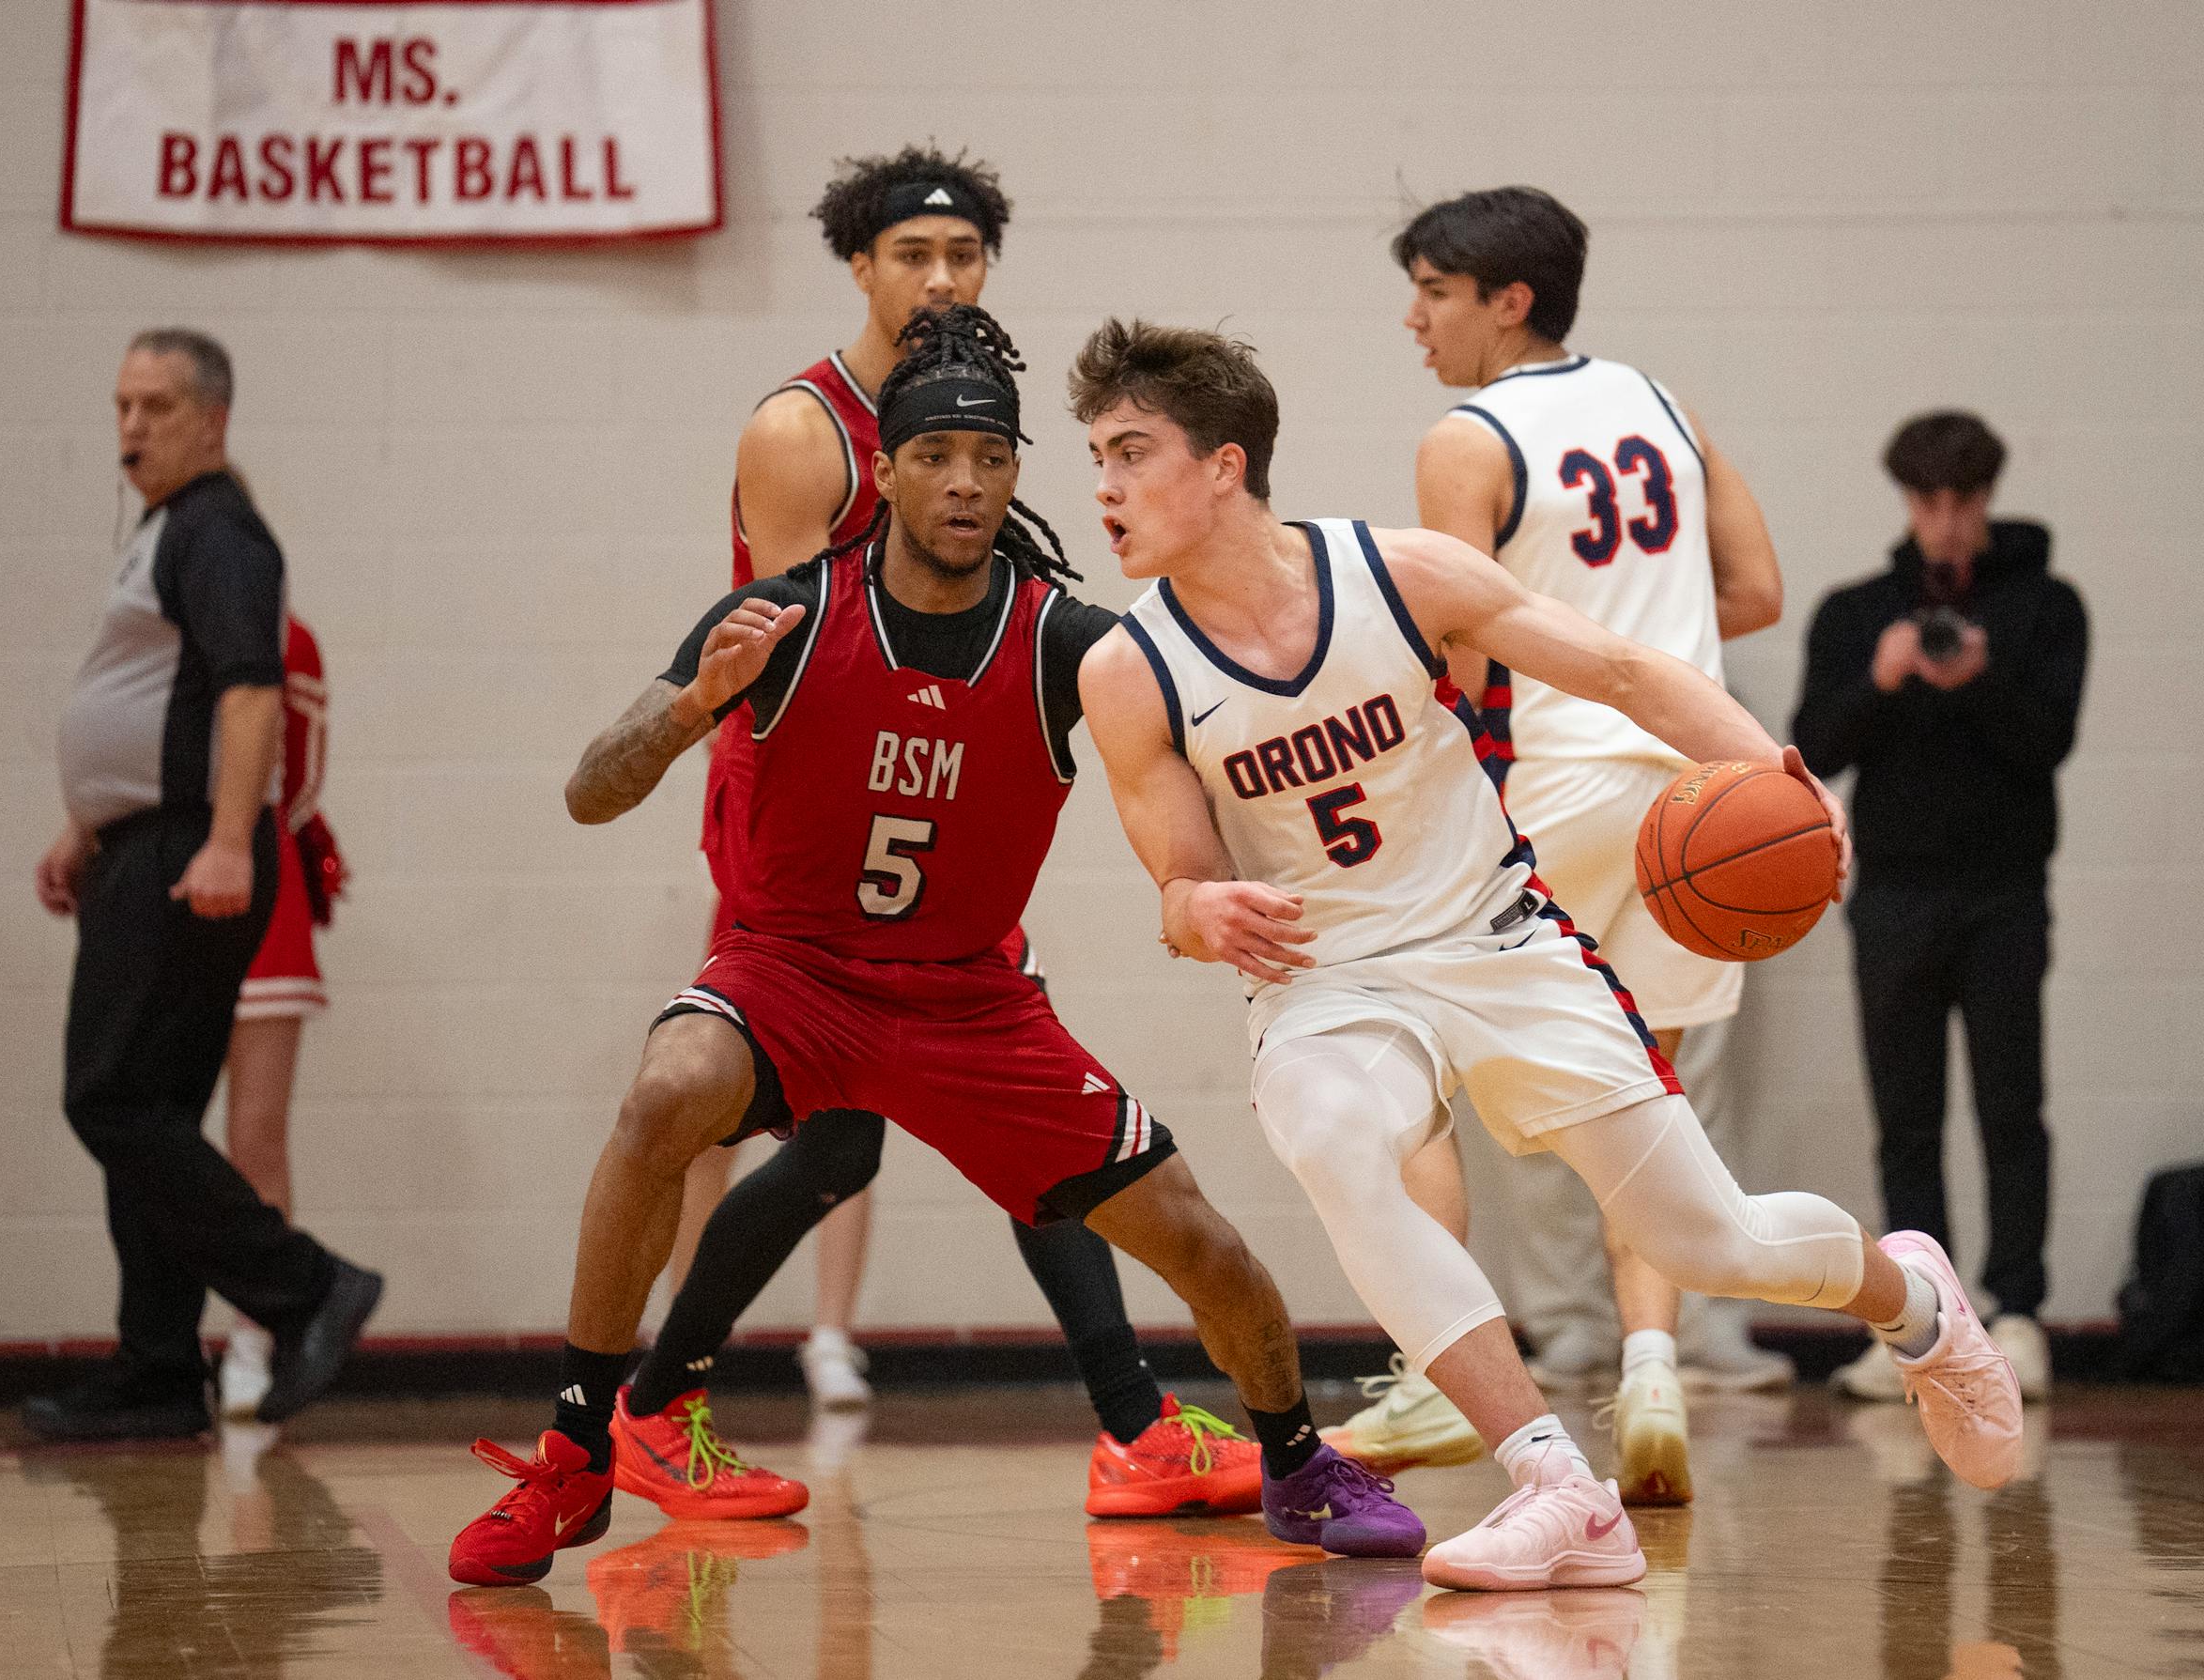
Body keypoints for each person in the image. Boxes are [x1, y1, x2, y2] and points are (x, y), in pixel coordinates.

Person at [447, 305, 1420, 1589]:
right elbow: (591, 790)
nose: (966, 484)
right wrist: (695, 706)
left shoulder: (1075, 644)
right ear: (888, 474)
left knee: (1204, 1243)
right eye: (937, 459)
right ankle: (576, 1452)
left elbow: (1200, 775)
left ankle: (1296, 1460)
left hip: (971, 1006)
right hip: (790, 974)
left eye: (993, 460)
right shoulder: (781, 616)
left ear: (1017, 475)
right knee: (665, 1093)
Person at [1071, 318, 2025, 1591]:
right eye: (1097, 458)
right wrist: (1201, 915)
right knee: (1337, 1138)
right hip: (1331, 982)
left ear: (1227, 464)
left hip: (1497, 936)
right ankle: (1559, 1486)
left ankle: (1914, 1304)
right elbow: (1182, 881)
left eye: (1134, 452)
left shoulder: (1398, 574)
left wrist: (1775, 780)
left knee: (1710, 1241)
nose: (1106, 488)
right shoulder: (1126, 671)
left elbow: (1629, 670)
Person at [659, 144, 1254, 1501]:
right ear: (858, 269)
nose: (940, 276)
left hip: (929, 800)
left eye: (964, 255)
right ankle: (655, 1401)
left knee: (903, 1120)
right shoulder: (805, 430)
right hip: (810, 817)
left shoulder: (969, 412)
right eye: (913, 255)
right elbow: (793, 661)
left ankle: (1125, 1424)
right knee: (859, 1119)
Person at [1351, 185, 1793, 1506]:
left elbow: (1456, 645)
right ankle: (1652, 1365)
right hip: (1689, 796)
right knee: (1640, 1089)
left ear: (1509, 300)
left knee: (1402, 1043)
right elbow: (1757, 591)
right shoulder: (1666, 405)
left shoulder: (1468, 437)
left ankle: (1437, 1369)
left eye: (1433, 290)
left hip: (1550, 780)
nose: (1413, 317)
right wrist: (1636, 622)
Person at [27, 329, 380, 1442]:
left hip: (191, 851)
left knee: (111, 1097)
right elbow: (151, 707)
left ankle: (306, 1286)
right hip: (147, 845)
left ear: (212, 420)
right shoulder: (168, 530)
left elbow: (245, 692)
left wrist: (229, 840)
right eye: (122, 405)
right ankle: (157, 1366)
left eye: (157, 407)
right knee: (153, 1107)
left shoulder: (220, 529)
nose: (131, 428)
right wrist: (83, 826)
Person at [1794, 411, 2087, 1404]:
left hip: (2005, 895)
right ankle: (1924, 1320)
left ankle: (2017, 1312)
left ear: (1989, 499)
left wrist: (1979, 679)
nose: (1948, 522)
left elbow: (2048, 742)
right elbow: (1812, 748)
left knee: (2013, 1107)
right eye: (1930, 501)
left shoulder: (2047, 608)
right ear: (1908, 503)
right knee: (1905, 1119)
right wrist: (1882, 680)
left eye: (1964, 501)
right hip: (1894, 897)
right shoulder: (1856, 613)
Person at [220, 612, 347, 1418]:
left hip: (262, 897)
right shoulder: (153, 634)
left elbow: (299, 784)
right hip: (162, 881)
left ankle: (254, 1336)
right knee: (150, 1124)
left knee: (256, 1135)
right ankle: (160, 1342)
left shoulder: (288, 639)